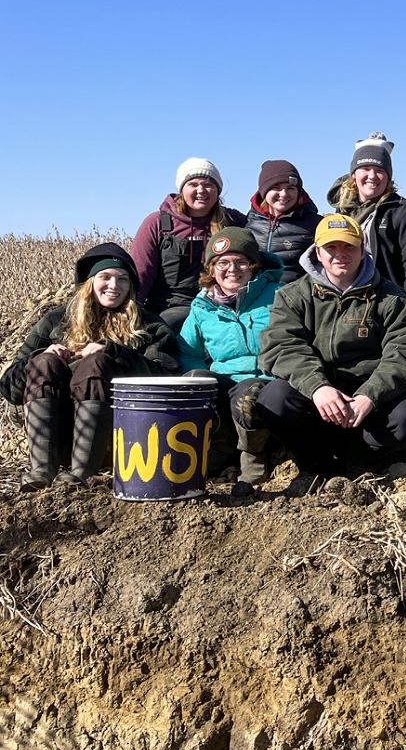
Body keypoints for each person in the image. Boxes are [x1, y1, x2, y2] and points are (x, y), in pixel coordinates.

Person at [256, 215, 406, 488]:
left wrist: (370, 395)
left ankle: (358, 462)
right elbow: (281, 346)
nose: (340, 255)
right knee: (273, 398)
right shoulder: (292, 296)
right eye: (331, 248)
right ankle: (316, 465)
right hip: (319, 399)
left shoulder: (392, 298)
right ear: (317, 253)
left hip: (370, 401)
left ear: (362, 250)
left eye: (349, 246)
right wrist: (317, 388)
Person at [1, 243, 179, 490]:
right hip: (56, 434)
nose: (114, 286)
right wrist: (40, 357)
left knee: (96, 363)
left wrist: (117, 353)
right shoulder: (55, 321)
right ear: (89, 282)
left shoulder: (150, 326)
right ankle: (41, 471)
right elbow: (9, 387)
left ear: (131, 286)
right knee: (43, 362)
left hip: (119, 441)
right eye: (105, 277)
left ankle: (81, 474)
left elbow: (168, 377)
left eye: (123, 279)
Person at [178, 227, 284, 496]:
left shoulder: (279, 295)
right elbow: (188, 351)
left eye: (240, 262)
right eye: (222, 263)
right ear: (212, 269)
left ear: (254, 265)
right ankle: (218, 449)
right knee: (195, 382)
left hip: (266, 378)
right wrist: (196, 373)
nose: (232, 269)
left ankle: (253, 458)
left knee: (248, 393)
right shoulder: (202, 307)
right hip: (225, 379)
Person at [130, 158, 247, 330]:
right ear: (182, 189)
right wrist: (129, 316)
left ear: (218, 190)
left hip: (220, 306)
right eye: (193, 184)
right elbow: (140, 276)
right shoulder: (157, 223)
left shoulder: (233, 221)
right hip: (168, 308)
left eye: (208, 184)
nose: (201, 190)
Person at [327, 132, 406, 315]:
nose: (372, 176)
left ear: (388, 176)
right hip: (345, 298)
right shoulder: (343, 212)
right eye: (365, 168)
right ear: (354, 174)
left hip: (386, 302)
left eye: (380, 170)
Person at [245, 160, 321, 284]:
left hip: (295, 297)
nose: (284, 194)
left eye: (290, 188)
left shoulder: (315, 224)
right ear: (264, 191)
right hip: (256, 297)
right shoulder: (248, 222)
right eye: (276, 188)